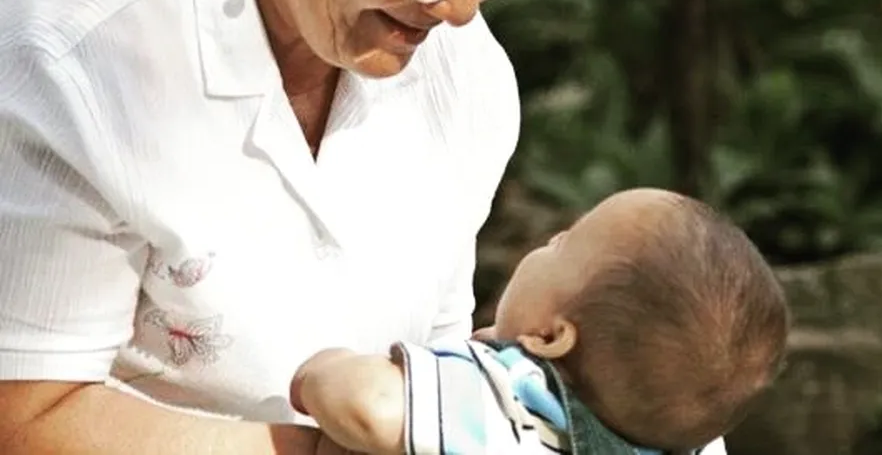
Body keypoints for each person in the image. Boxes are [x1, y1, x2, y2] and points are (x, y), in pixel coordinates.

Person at [0, 0, 599, 453]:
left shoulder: (467, 77)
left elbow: (431, 372)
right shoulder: (70, 42)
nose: (460, 9)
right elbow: (23, 416)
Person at [290, 188, 789, 454]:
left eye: (563, 243)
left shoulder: (505, 406)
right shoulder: (698, 443)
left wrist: (323, 370)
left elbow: (371, 407)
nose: (550, 238)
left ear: (550, 336)